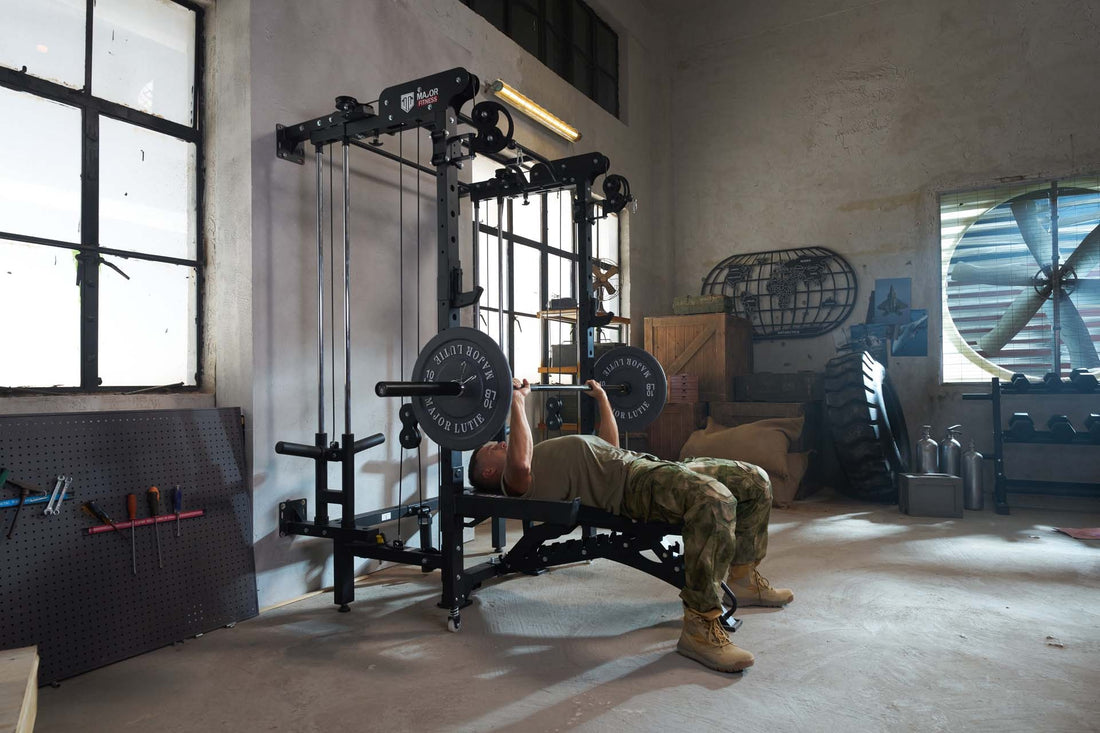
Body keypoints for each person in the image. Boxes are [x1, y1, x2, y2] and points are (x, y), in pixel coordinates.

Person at [468, 377, 793, 673]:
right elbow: (519, 463)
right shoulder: (517, 483)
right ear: (487, 474)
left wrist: (603, 400)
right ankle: (700, 627)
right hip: (634, 488)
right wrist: (517, 401)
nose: (498, 444)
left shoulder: (545, 454)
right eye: (490, 450)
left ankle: (744, 577)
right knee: (714, 499)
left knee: (755, 480)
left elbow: (610, 446)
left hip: (648, 466)